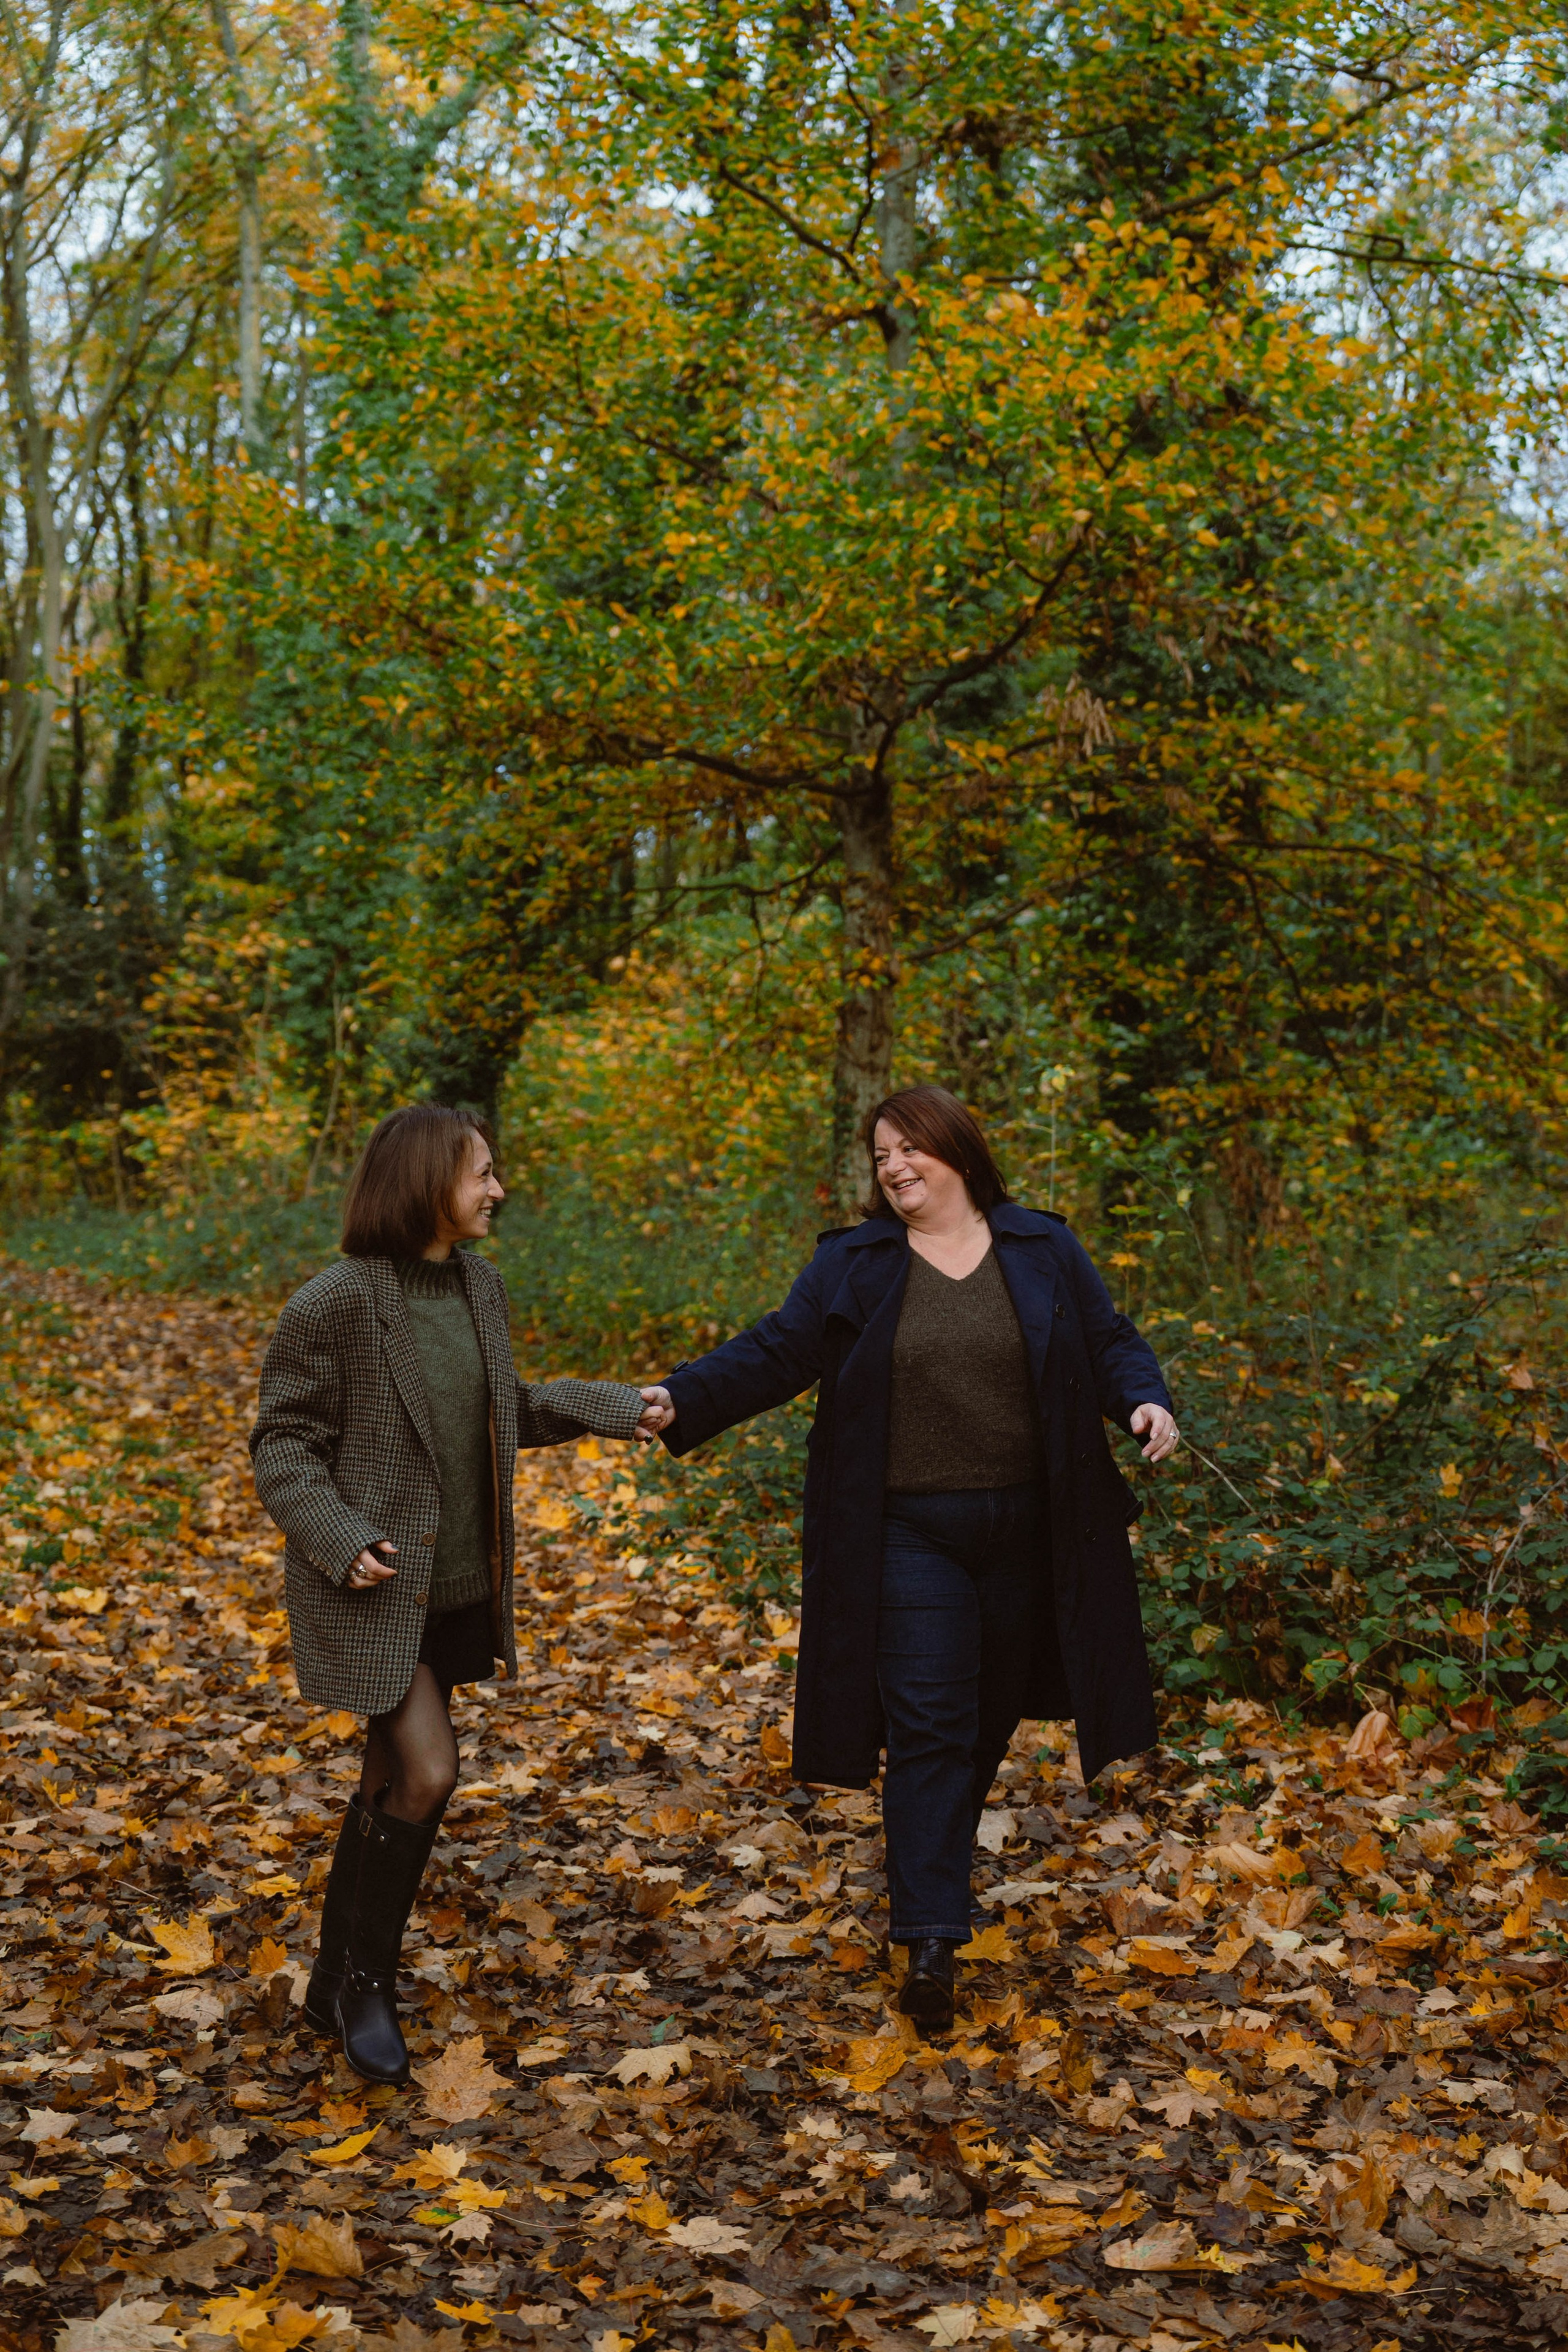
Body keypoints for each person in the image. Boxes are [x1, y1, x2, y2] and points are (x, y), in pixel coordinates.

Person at [637, 1085, 1177, 2030]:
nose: (891, 1167)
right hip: (903, 1533)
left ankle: (931, 1873)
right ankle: (930, 1937)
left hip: (1031, 1530)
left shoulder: (1042, 1248)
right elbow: (776, 1351)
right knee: (928, 1721)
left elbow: (1108, 1340)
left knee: (983, 1727)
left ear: (957, 1152)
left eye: (907, 1149)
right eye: (880, 1154)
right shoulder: (857, 1263)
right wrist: (682, 1399)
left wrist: (1144, 1400)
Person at [250, 1104, 660, 2084]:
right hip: (373, 1584)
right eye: (483, 1172)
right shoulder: (334, 1304)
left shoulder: (481, 1286)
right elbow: (283, 1445)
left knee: (387, 1780)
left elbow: (500, 1410)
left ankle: (334, 1980)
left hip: (458, 1582)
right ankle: (364, 1987)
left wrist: (618, 1407)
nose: (498, 1189)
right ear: (429, 1179)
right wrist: (340, 1540)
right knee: (428, 1772)